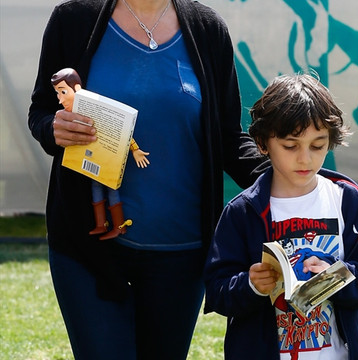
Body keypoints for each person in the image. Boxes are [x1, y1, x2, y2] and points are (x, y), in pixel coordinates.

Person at [28, 0, 267, 359]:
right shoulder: (72, 19)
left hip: (182, 253)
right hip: (86, 249)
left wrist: (292, 176)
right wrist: (53, 128)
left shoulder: (208, 28)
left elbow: (229, 138)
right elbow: (42, 112)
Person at [203, 73, 358, 360]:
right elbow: (217, 292)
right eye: (291, 146)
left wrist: (334, 275)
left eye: (317, 146)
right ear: (263, 144)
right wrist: (252, 284)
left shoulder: (348, 201)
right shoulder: (242, 211)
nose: (305, 158)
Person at [51, 67, 150, 240]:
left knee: (111, 189)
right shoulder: (71, 112)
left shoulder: (94, 107)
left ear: (77, 89)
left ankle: (119, 227)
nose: (60, 100)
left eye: (63, 92)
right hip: (92, 158)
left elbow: (123, 130)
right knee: (96, 187)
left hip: (110, 159)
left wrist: (135, 150)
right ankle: (101, 224)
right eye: (58, 94)